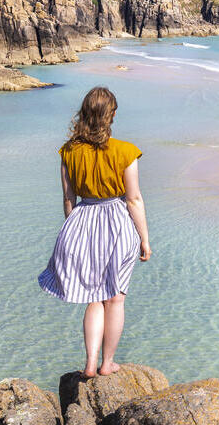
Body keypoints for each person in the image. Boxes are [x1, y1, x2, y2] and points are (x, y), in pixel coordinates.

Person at [38, 87, 151, 378]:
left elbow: (68, 199)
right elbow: (133, 199)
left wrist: (75, 229)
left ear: (84, 113)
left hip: (83, 220)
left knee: (94, 297)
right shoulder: (126, 151)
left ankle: (89, 362)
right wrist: (145, 239)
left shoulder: (68, 151)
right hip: (117, 224)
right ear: (111, 115)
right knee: (115, 297)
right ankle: (107, 362)